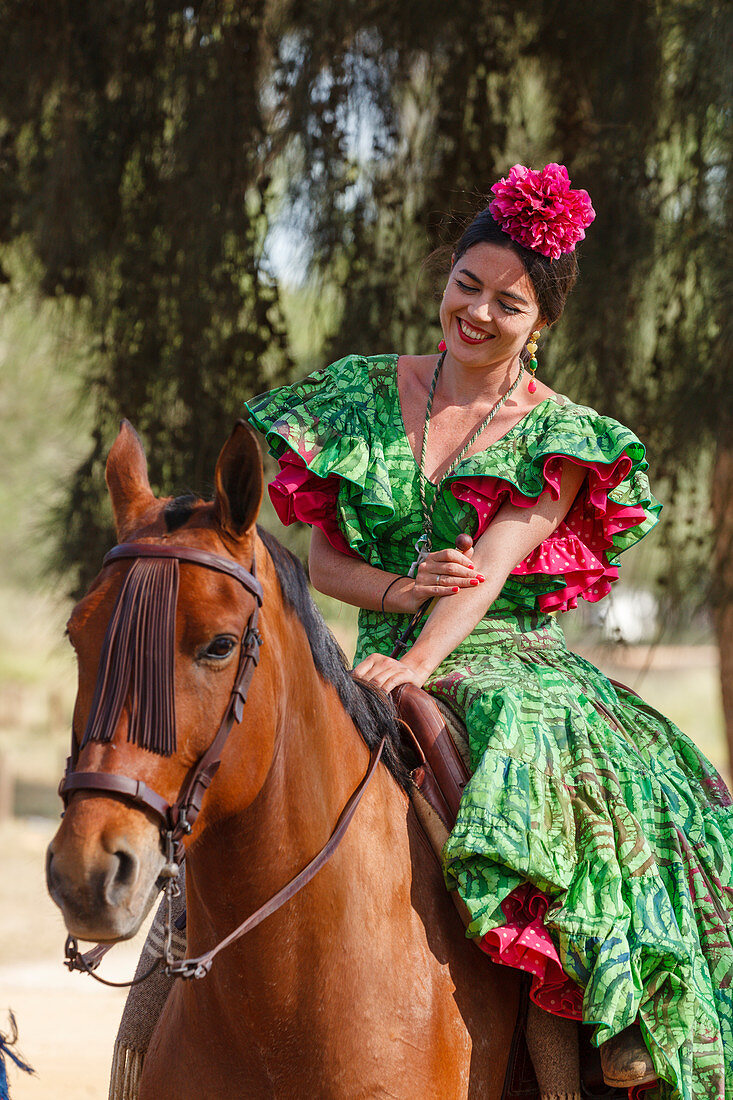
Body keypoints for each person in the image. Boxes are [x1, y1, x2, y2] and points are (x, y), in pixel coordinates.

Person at [244, 164, 733, 1100]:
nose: (474, 313)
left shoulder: (559, 437)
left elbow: (491, 571)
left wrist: (417, 663)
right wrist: (396, 591)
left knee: (544, 751)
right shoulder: (360, 394)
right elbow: (321, 561)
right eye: (464, 285)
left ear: (539, 323)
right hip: (383, 642)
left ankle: (611, 1005)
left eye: (505, 304)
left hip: (502, 658)